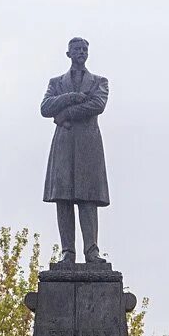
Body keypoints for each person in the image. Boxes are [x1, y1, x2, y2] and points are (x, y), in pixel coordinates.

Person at [41, 37, 110, 264]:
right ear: (68, 53)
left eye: (84, 49)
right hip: (64, 144)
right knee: (63, 197)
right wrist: (71, 97)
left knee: (87, 198)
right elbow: (45, 108)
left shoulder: (100, 81)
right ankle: (67, 252)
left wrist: (65, 114)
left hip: (88, 146)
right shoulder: (56, 83)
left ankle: (92, 251)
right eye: (77, 49)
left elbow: (96, 105)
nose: (81, 52)